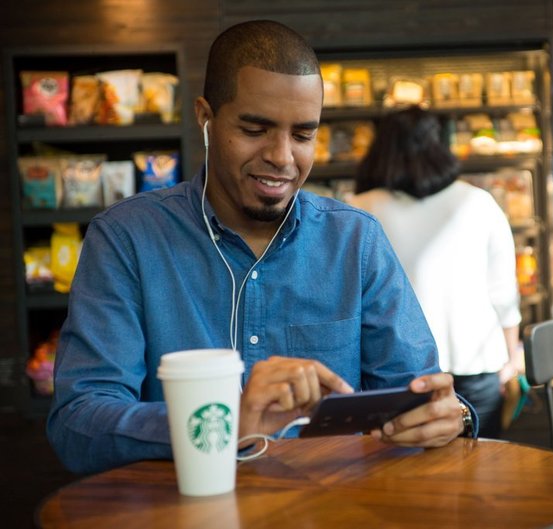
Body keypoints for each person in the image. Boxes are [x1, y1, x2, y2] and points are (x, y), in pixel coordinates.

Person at [47, 20, 477, 475]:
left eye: (303, 135)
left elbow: (419, 397)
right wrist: (224, 423)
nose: (282, 157)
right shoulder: (127, 239)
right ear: (205, 118)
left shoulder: (355, 241)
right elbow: (78, 424)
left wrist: (453, 416)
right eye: (255, 129)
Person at [348, 106, 523, 438]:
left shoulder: (359, 210)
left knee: (410, 478)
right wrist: (511, 360)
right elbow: (503, 294)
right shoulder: (479, 203)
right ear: (439, 145)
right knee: (485, 473)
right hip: (477, 364)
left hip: (396, 374)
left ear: (380, 148)